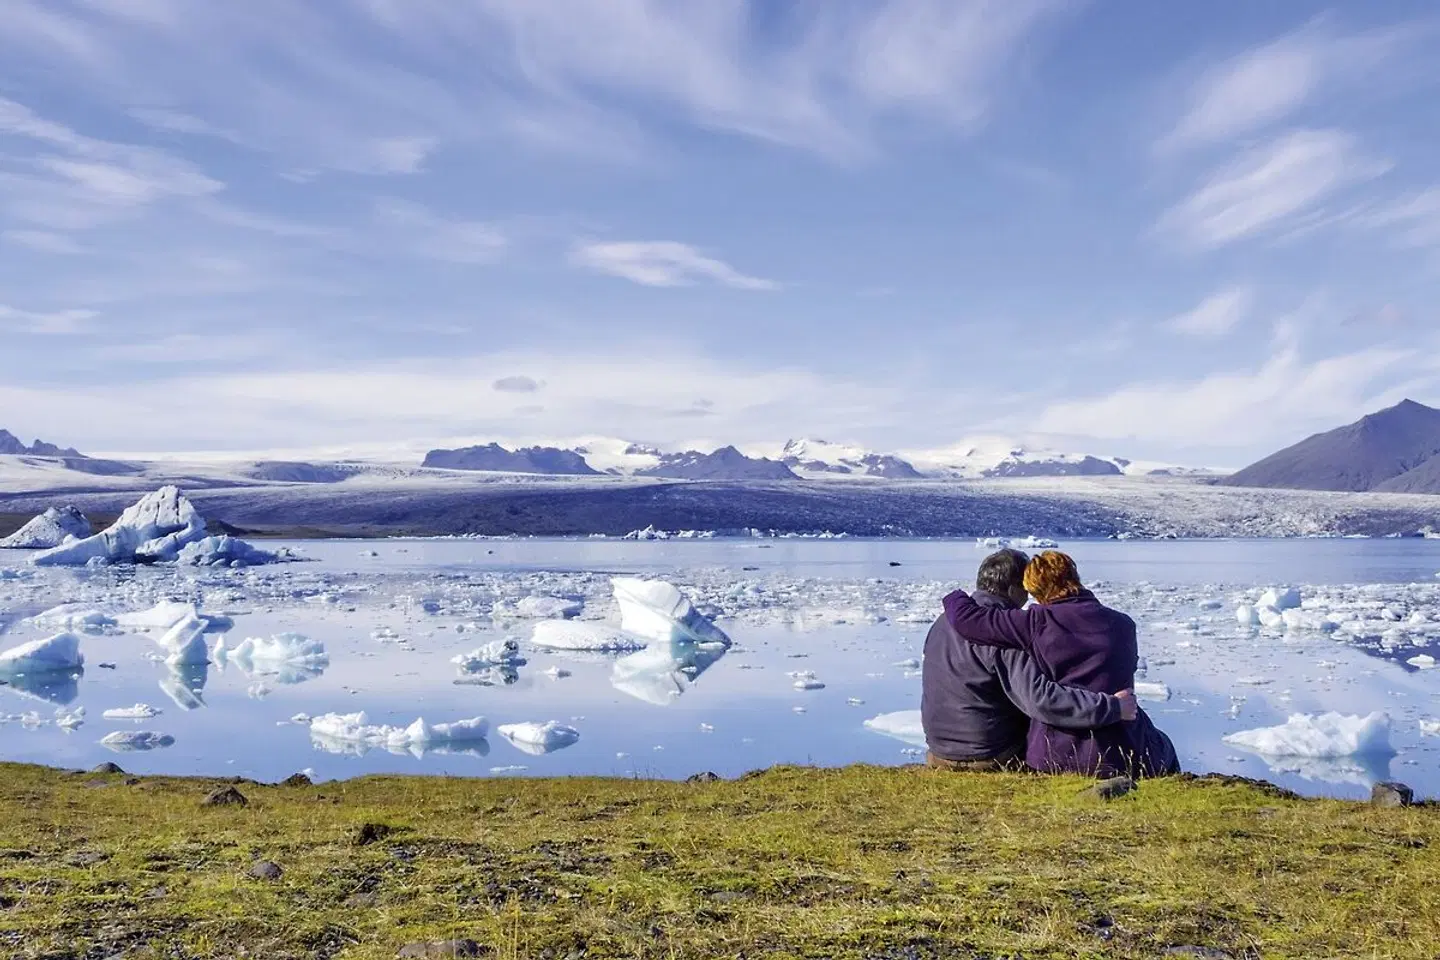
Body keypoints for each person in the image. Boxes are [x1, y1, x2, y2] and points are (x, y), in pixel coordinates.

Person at [941, 550, 1179, 778]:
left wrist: (955, 597)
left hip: (1055, 755)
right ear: (1074, 577)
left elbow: (968, 621)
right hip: (1122, 751)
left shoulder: (1035, 622)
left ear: (1035, 589)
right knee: (1163, 745)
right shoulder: (1124, 624)